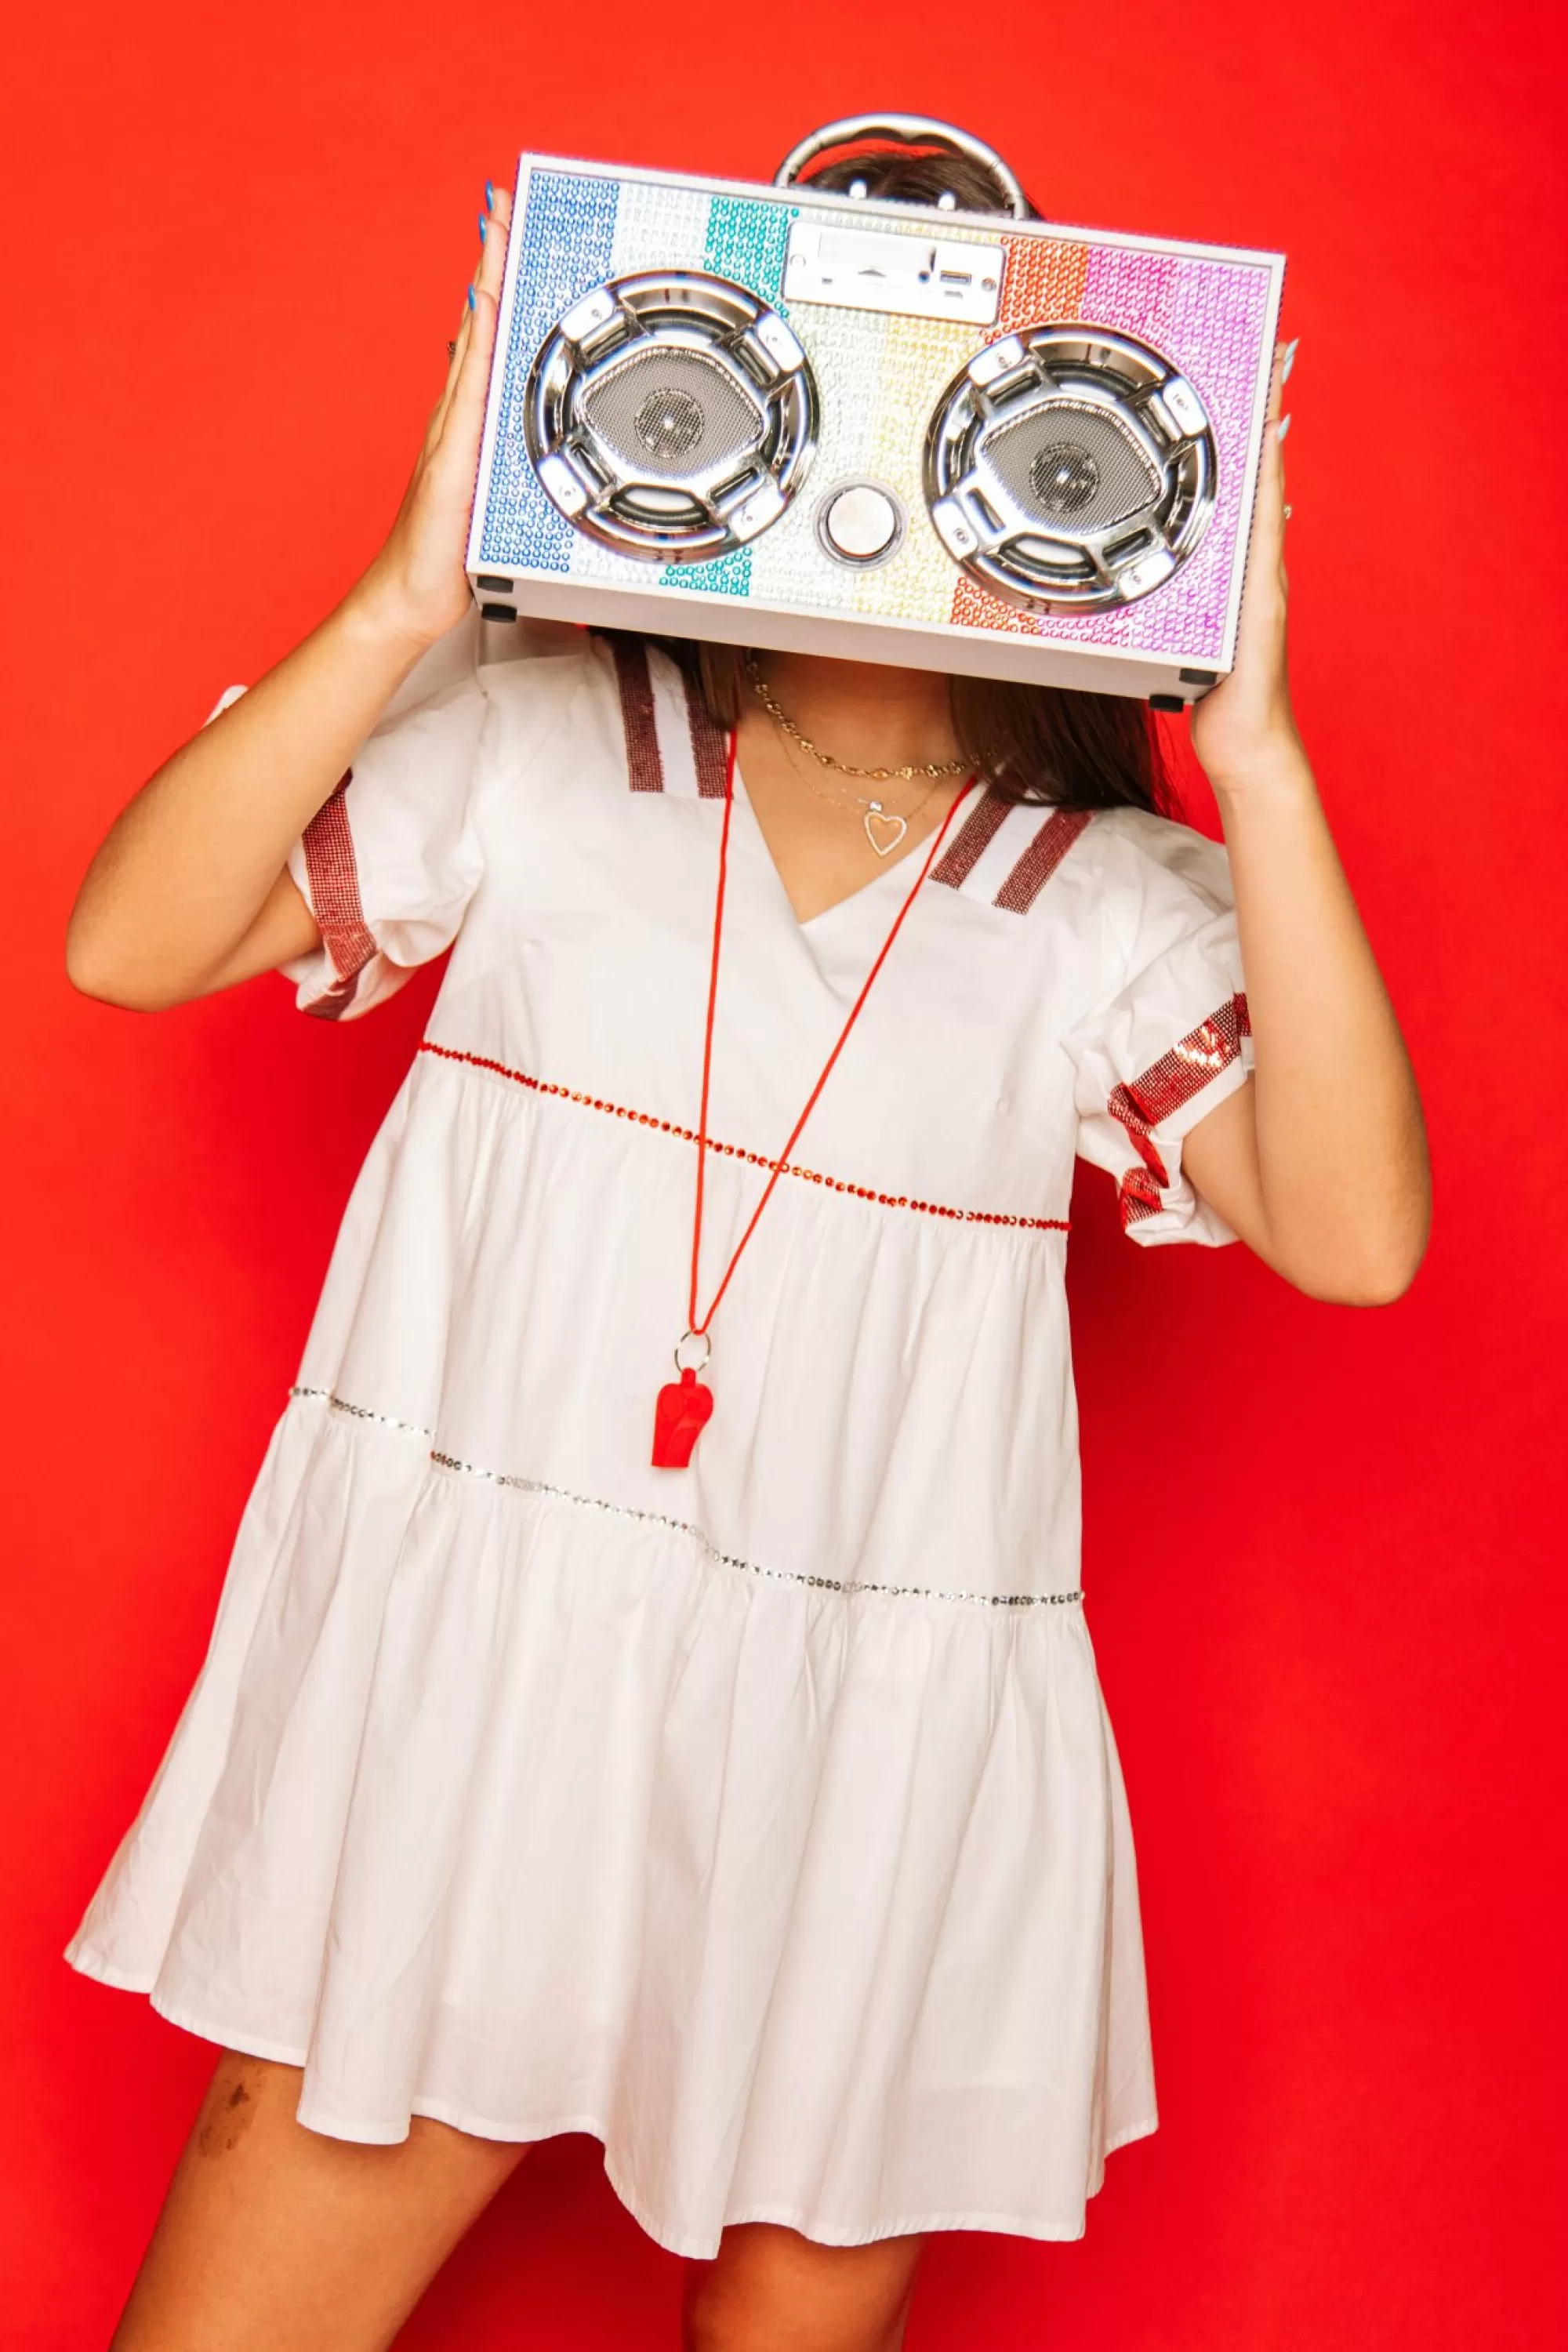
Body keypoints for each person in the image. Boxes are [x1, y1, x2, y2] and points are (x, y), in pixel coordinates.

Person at [62, 135, 1429, 2352]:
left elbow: (1356, 1245)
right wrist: (421, 589)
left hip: (869, 1740)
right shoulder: (529, 749)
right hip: (478, 1707)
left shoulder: (1093, 907)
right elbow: (130, 945)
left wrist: (1250, 752)